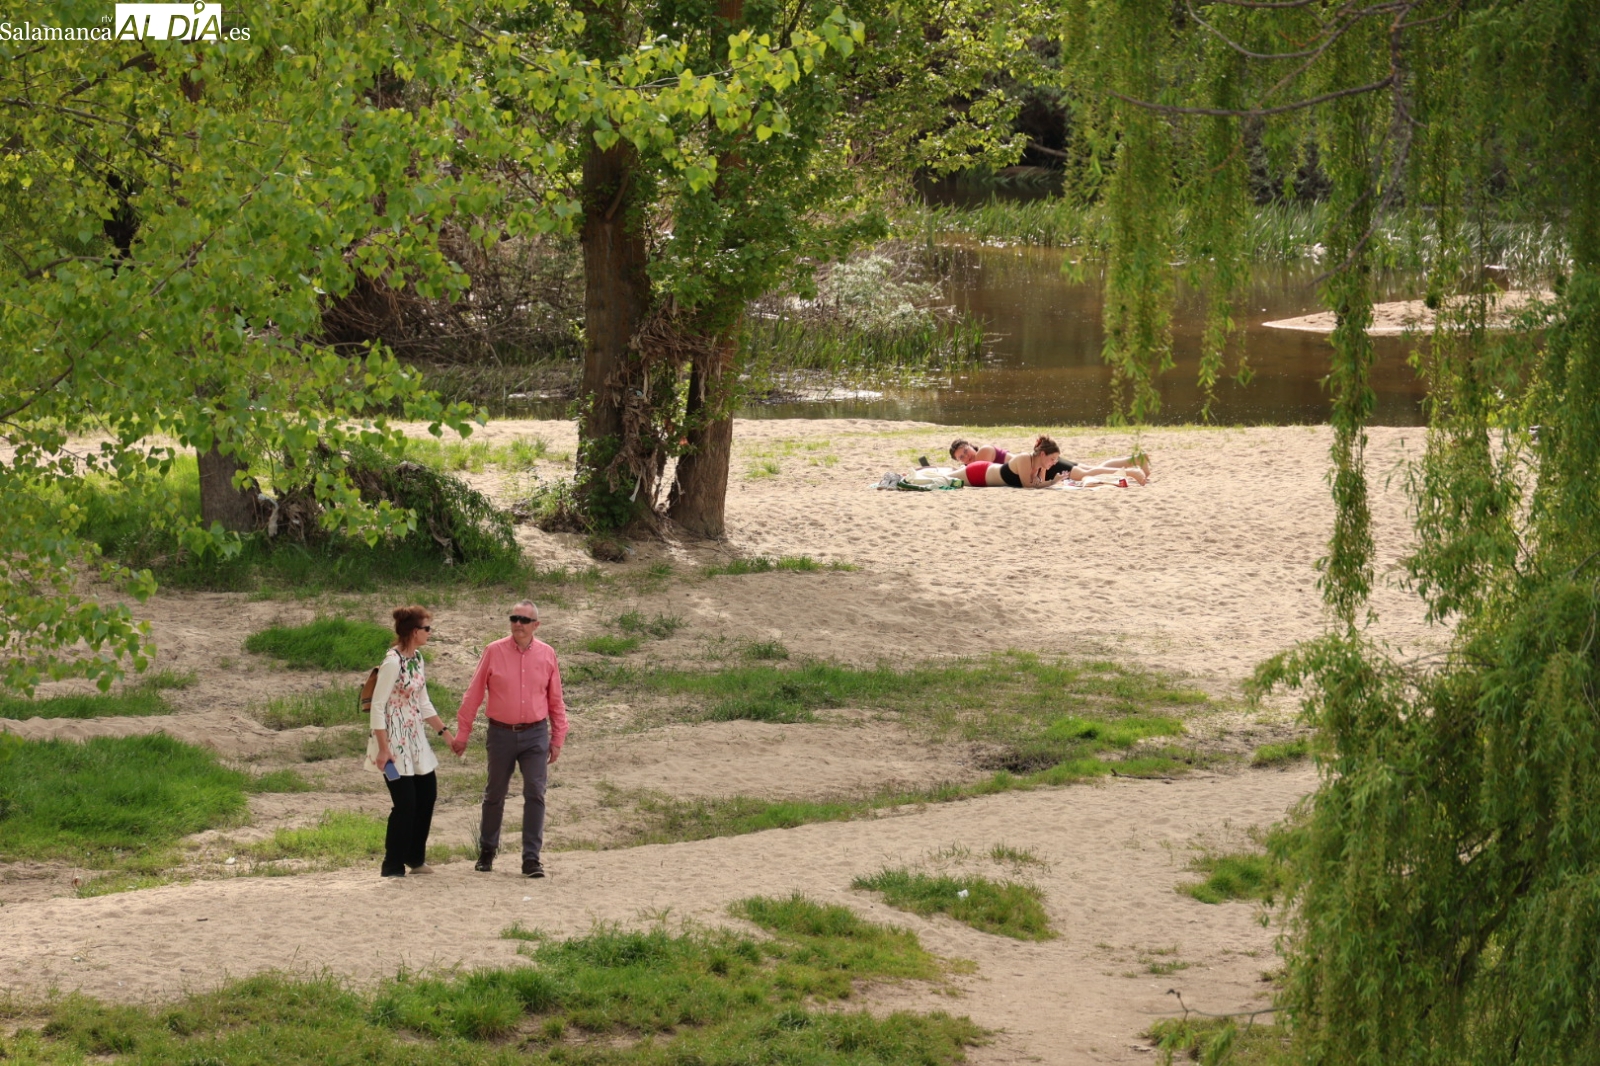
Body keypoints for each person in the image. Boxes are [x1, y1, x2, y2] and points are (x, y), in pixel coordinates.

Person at [452, 600, 568, 879]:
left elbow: (555, 698)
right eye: (514, 618)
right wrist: (463, 734)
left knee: (535, 792)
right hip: (501, 733)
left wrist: (558, 737)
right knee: (495, 793)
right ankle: (487, 851)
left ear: (536, 625)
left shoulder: (547, 654)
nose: (518, 624)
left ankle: (531, 859)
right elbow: (473, 693)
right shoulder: (494, 651)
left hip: (535, 734)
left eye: (524, 620)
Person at [368, 605, 454, 879]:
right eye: (427, 628)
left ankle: (415, 858)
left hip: (415, 740)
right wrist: (383, 749)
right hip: (392, 743)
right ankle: (392, 864)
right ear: (414, 631)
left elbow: (423, 702)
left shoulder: (417, 658)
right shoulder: (392, 662)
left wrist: (446, 734)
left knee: (427, 796)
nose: (430, 633)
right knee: (405, 804)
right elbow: (377, 706)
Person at [957, 436, 1149, 487]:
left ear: (971, 445)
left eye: (966, 451)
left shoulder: (983, 452)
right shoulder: (982, 454)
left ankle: (1130, 470)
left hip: (1043, 464)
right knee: (1091, 469)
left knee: (1086, 473)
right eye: (961, 457)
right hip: (1042, 463)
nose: (967, 457)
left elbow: (983, 471)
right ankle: (1133, 460)